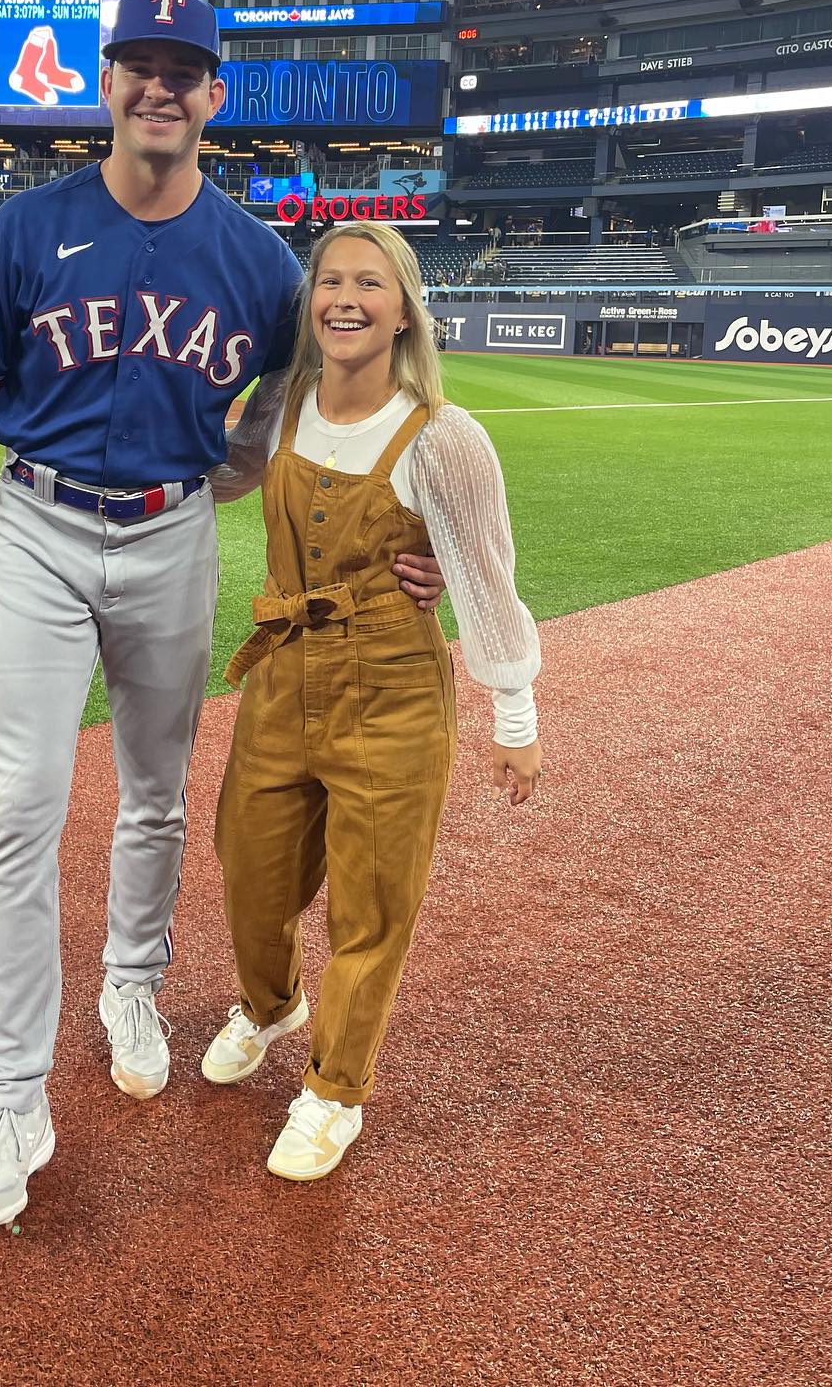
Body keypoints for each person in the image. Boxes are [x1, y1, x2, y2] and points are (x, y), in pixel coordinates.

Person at [0, 0, 448, 1231]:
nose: (159, 88)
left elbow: (329, 398)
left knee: (156, 793)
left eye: (182, 71)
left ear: (212, 97)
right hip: (35, 527)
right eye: (139, 65)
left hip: (170, 533)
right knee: (22, 814)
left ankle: (130, 986)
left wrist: (433, 540)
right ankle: (15, 1095)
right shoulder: (29, 225)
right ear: (108, 82)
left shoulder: (255, 258)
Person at [200, 221, 541, 1180]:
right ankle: (273, 1008)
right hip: (281, 676)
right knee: (248, 875)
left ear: (403, 312)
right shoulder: (284, 401)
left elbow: (484, 578)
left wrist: (515, 717)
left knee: (371, 906)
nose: (345, 298)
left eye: (370, 284)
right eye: (330, 281)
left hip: (392, 689)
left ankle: (334, 1091)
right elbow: (224, 479)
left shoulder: (446, 435)